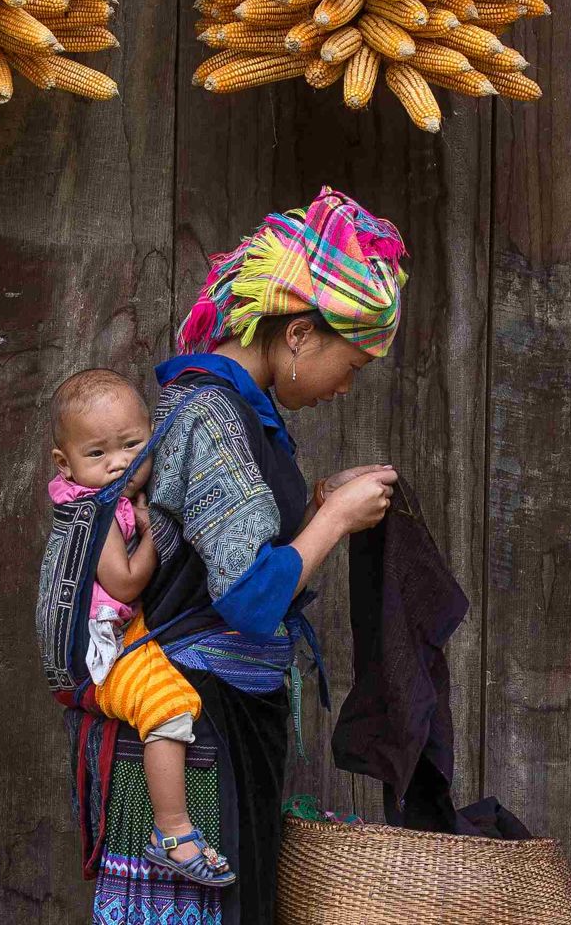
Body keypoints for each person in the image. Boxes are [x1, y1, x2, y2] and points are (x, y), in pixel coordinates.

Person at [81, 185, 406, 925]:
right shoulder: (211, 416)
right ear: (297, 335)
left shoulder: (237, 413)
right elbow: (248, 597)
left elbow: (223, 543)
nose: (347, 386)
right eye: (350, 364)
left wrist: (322, 505)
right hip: (196, 725)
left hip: (226, 717)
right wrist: (334, 524)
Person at [47, 368, 236, 887]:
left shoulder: (107, 496)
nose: (119, 464)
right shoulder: (95, 510)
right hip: (101, 652)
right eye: (98, 454)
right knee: (169, 709)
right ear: (65, 464)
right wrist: (155, 532)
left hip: (121, 635)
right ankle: (172, 833)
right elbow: (126, 583)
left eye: (133, 445)